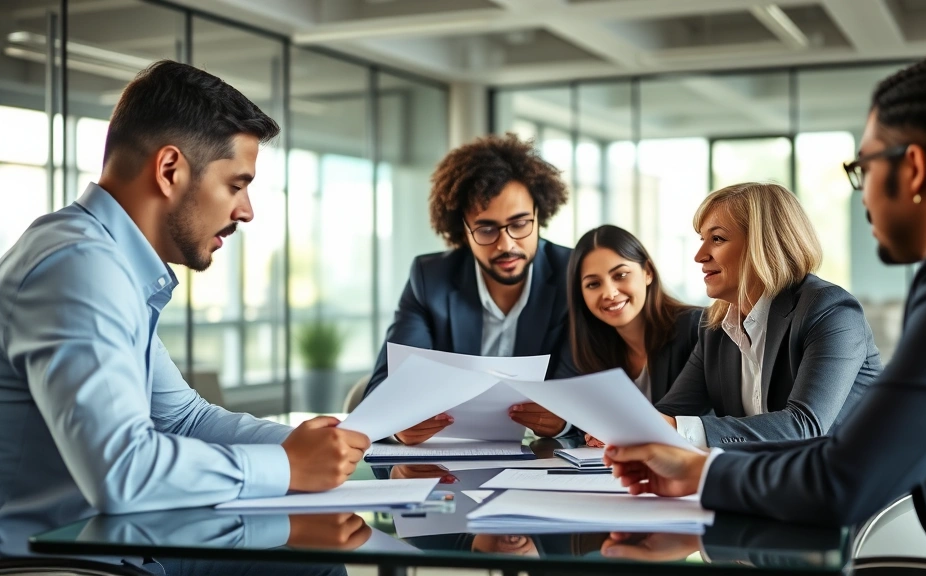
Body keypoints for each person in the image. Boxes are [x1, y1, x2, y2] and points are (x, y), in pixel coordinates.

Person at [604, 49, 926, 572]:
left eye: (861, 168)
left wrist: (701, 471)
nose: (862, 193)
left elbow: (843, 473)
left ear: (913, 168)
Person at [0, 60, 369, 535]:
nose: (247, 211)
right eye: (236, 185)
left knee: (305, 554)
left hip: (116, 543)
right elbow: (123, 472)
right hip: (59, 563)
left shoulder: (106, 260)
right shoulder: (80, 268)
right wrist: (288, 467)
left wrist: (328, 447)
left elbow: (183, 418)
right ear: (170, 169)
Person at [364, 133, 576, 444]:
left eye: (519, 224)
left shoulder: (573, 276)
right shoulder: (430, 278)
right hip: (449, 464)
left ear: (540, 215)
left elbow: (589, 389)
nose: (507, 244)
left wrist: (565, 423)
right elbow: (385, 389)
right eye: (487, 229)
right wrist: (397, 424)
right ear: (462, 230)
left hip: (544, 462)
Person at [654, 182, 881, 448]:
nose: (699, 255)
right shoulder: (715, 326)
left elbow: (804, 426)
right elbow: (670, 412)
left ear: (764, 244)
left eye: (717, 239)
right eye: (702, 239)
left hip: (854, 481)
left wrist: (668, 426)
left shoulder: (830, 310)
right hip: (768, 478)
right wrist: (619, 426)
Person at [564, 225, 702, 446]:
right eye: (593, 284)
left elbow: (707, 421)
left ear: (647, 272)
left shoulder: (696, 328)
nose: (609, 293)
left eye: (620, 275)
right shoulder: (592, 348)